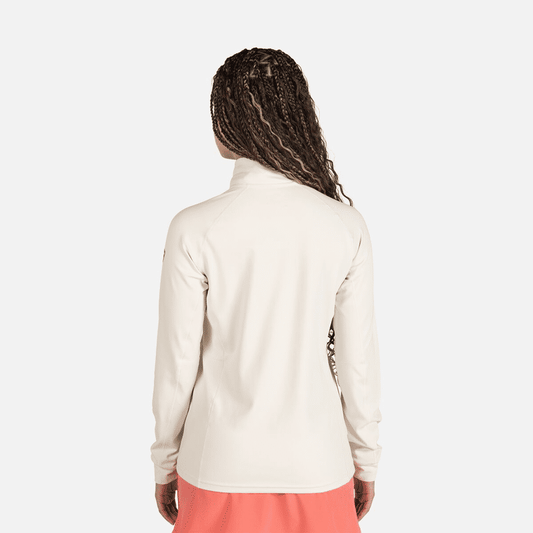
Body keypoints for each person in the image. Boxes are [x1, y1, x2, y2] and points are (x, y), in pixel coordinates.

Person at [150, 47, 382, 532]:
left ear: (227, 121)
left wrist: (164, 461)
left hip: (217, 464)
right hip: (318, 464)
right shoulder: (345, 225)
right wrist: (365, 458)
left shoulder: (194, 228)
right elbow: (358, 365)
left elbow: (176, 365)